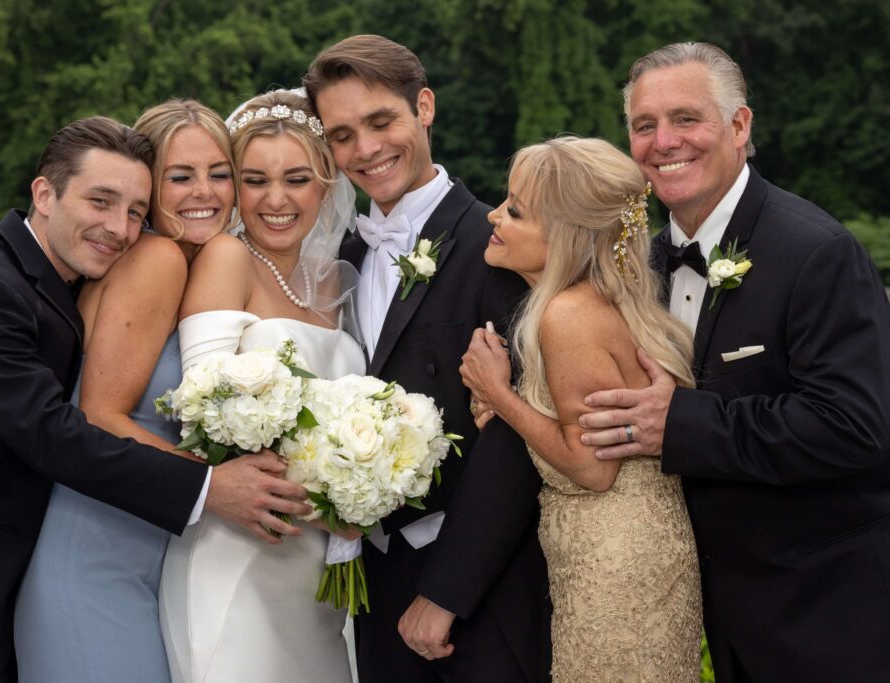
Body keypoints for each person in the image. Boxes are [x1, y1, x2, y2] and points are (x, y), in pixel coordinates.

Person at [0, 115, 310, 683]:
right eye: (100, 201)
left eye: (132, 210)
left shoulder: (57, 283)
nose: (118, 227)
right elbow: (54, 434)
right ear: (44, 193)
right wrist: (209, 486)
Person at [579, 42, 890, 681]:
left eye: (685, 119)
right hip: (704, 621)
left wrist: (684, 425)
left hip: (821, 619)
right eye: (644, 126)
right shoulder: (639, 267)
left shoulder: (817, 252)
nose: (664, 142)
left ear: (739, 126)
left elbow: (855, 426)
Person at [304, 34, 550, 683]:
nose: (366, 149)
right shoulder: (340, 264)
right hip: (376, 580)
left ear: (425, 107)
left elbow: (515, 437)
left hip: (478, 591)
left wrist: (447, 592)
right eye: (342, 135)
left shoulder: (494, 244)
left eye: (381, 121)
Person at [13, 100, 248, 682]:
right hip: (92, 558)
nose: (206, 191)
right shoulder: (156, 258)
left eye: (220, 173)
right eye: (180, 176)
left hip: (144, 558)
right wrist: (218, 487)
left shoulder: (188, 268)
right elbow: (98, 416)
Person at [459, 135, 702, 681]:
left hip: (614, 567)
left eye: (515, 211)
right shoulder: (605, 302)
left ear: (564, 236)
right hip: (630, 552)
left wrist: (501, 395)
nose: (494, 215)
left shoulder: (567, 315)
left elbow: (592, 467)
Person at [157, 89, 364, 683]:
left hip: (318, 572)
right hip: (240, 550)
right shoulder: (227, 257)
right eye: (253, 180)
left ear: (325, 184)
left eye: (296, 178)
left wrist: (361, 494)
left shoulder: (335, 280)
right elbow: (201, 418)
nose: (276, 200)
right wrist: (323, 505)